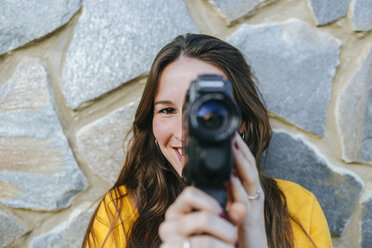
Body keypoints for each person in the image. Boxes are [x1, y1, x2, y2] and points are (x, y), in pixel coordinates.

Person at [82, 33, 333, 248]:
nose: (185, 132)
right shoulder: (118, 214)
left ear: (241, 120)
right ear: (150, 120)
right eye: (167, 110)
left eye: (208, 113)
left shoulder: (298, 208)